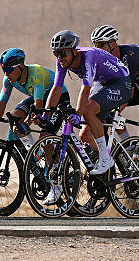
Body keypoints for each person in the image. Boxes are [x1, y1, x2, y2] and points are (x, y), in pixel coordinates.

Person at [45, 30, 131, 176]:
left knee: (87, 110)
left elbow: (85, 89)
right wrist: (46, 112)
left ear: (74, 51)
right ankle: (108, 166)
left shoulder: (88, 56)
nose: (60, 58)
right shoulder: (62, 61)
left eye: (63, 53)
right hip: (103, 83)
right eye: (56, 53)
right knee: (85, 133)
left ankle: (105, 158)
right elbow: (57, 87)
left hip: (121, 83)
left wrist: (78, 113)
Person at [89, 24, 139, 144]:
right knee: (107, 112)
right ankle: (129, 149)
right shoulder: (107, 60)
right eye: (95, 45)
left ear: (112, 44)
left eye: (99, 45)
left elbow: (128, 91)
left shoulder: (129, 54)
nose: (96, 48)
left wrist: (114, 112)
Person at [0, 48, 69, 147]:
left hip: (58, 97)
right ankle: (33, 157)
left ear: (21, 65)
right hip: (40, 98)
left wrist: (27, 124)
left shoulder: (36, 73)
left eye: (9, 69)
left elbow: (38, 104)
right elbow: (1, 102)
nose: (6, 73)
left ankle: (54, 162)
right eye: (4, 69)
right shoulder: (8, 80)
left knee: (45, 137)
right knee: (15, 117)